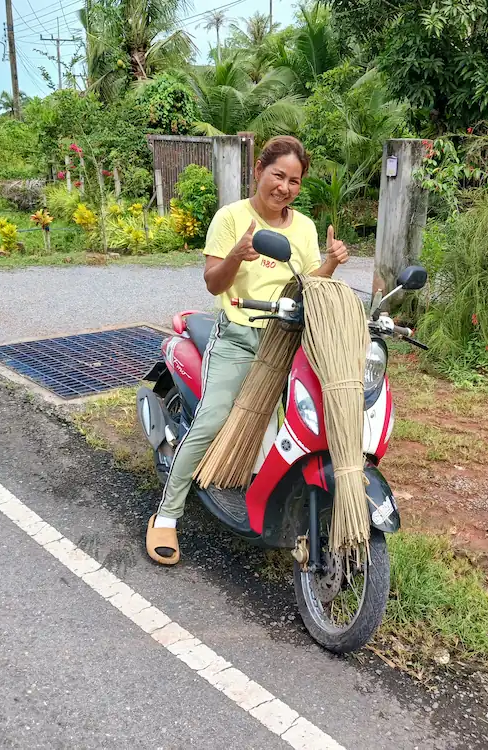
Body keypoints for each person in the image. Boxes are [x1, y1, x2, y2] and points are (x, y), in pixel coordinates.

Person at [145, 135, 349, 565]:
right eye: (278, 175)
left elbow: (310, 281)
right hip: (239, 335)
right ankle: (166, 514)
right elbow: (214, 283)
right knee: (212, 418)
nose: (285, 187)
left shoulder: (306, 227)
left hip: (289, 339)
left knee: (313, 417)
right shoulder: (231, 217)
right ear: (258, 171)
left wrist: (331, 261)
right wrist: (237, 255)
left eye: (294, 180)